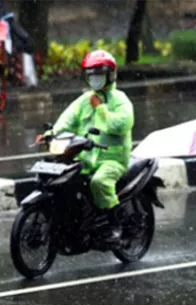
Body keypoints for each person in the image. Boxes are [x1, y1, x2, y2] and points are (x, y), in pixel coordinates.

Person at [35, 50, 134, 244]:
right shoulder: (85, 100)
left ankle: (114, 225)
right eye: (91, 75)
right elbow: (67, 119)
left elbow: (121, 125)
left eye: (99, 74)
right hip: (87, 156)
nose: (95, 79)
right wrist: (50, 133)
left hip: (112, 159)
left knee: (99, 183)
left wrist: (100, 108)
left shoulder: (120, 100)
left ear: (110, 75)